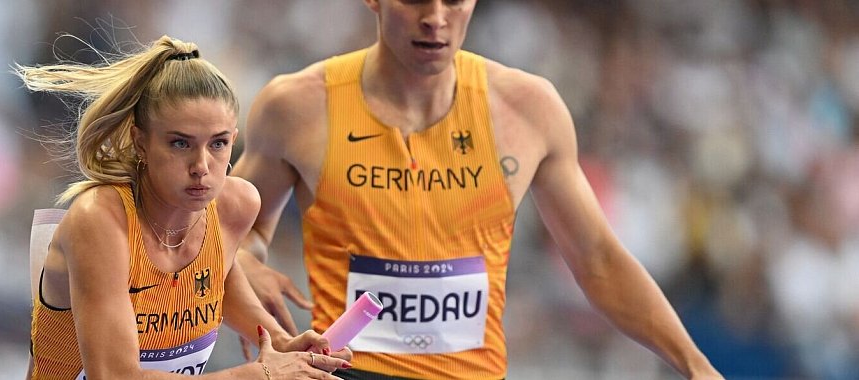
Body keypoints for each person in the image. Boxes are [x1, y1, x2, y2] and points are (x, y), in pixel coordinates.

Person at [231, 1, 722, 379]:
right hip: (347, 371)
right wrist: (249, 260)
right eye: (417, 0)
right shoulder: (297, 107)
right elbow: (230, 236)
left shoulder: (526, 109)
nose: (436, 19)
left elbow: (597, 259)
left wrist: (695, 366)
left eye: (454, 1)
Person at [15, 35, 352, 379]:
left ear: (233, 140)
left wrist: (280, 342)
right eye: (180, 143)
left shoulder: (236, 205)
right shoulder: (99, 220)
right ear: (140, 141)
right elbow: (114, 376)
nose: (201, 166)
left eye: (218, 143)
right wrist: (260, 374)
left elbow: (218, 278)